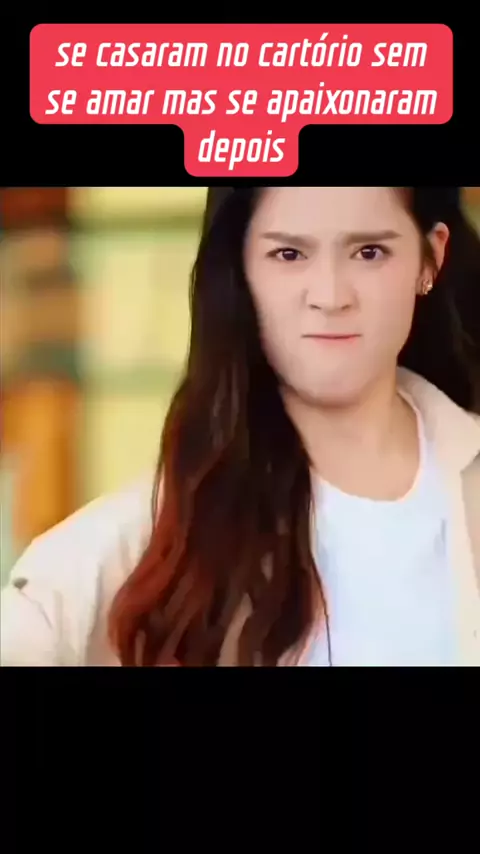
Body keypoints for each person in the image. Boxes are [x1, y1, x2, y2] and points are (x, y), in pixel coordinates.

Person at [2, 186, 480, 667]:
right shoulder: (151, 540)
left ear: (430, 259)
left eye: (369, 252)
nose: (331, 296)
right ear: (240, 270)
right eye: (289, 254)